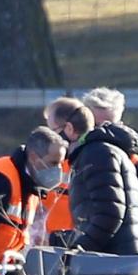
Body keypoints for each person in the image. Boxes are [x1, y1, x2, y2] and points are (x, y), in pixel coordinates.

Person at [0, 126, 66, 275]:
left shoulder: (31, 189)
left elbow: (14, 242)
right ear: (34, 157)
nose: (58, 170)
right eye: (53, 163)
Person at [67, 104, 138, 255]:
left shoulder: (96, 153)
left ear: (69, 129)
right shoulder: (107, 151)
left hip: (112, 258)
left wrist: (79, 248)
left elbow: (110, 213)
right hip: (122, 252)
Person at [39, 97, 94, 247]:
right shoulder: (56, 163)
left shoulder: (92, 160)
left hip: (78, 248)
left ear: (69, 128)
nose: (50, 139)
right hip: (54, 246)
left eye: (53, 131)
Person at [81, 87, 138, 198]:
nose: (101, 133)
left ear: (120, 125)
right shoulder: (68, 159)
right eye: (95, 126)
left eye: (108, 126)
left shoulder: (135, 164)